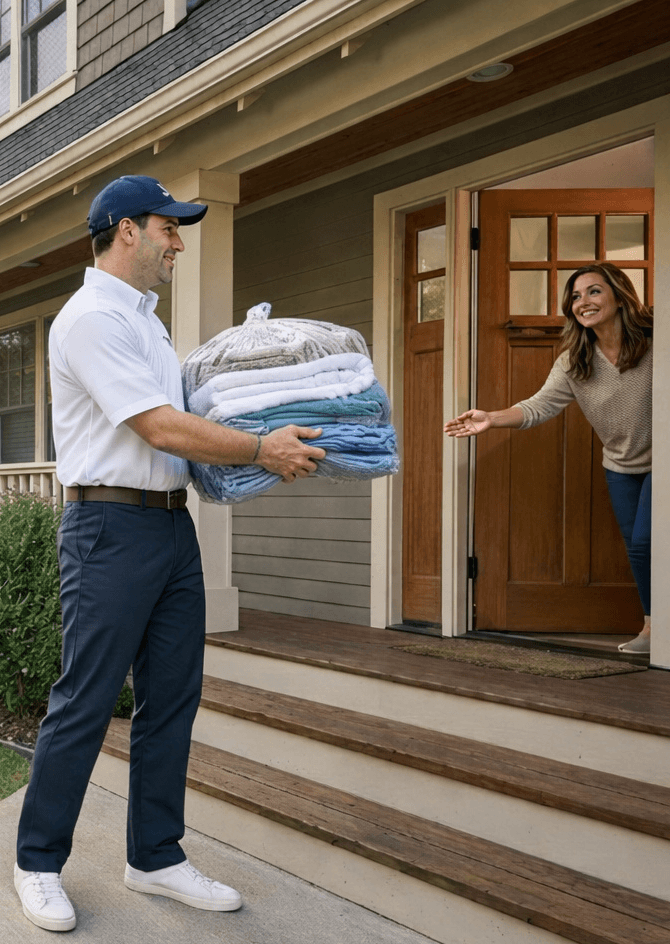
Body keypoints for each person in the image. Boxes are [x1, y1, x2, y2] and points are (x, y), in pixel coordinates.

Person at [14, 175, 326, 932]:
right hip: (108, 531)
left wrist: (271, 413)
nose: (178, 242)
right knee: (85, 702)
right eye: (169, 228)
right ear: (127, 230)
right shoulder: (90, 318)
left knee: (172, 700)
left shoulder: (149, 324)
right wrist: (262, 447)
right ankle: (37, 863)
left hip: (170, 529)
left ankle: (154, 856)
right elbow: (158, 427)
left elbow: (194, 418)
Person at [445, 262, 652, 654]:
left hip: (665, 461)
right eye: (575, 296)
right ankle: (655, 626)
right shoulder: (575, 361)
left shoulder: (656, 341)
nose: (583, 302)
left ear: (619, 294)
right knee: (637, 547)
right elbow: (539, 406)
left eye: (593, 291)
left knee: (646, 544)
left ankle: (654, 630)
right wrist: (491, 418)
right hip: (621, 466)